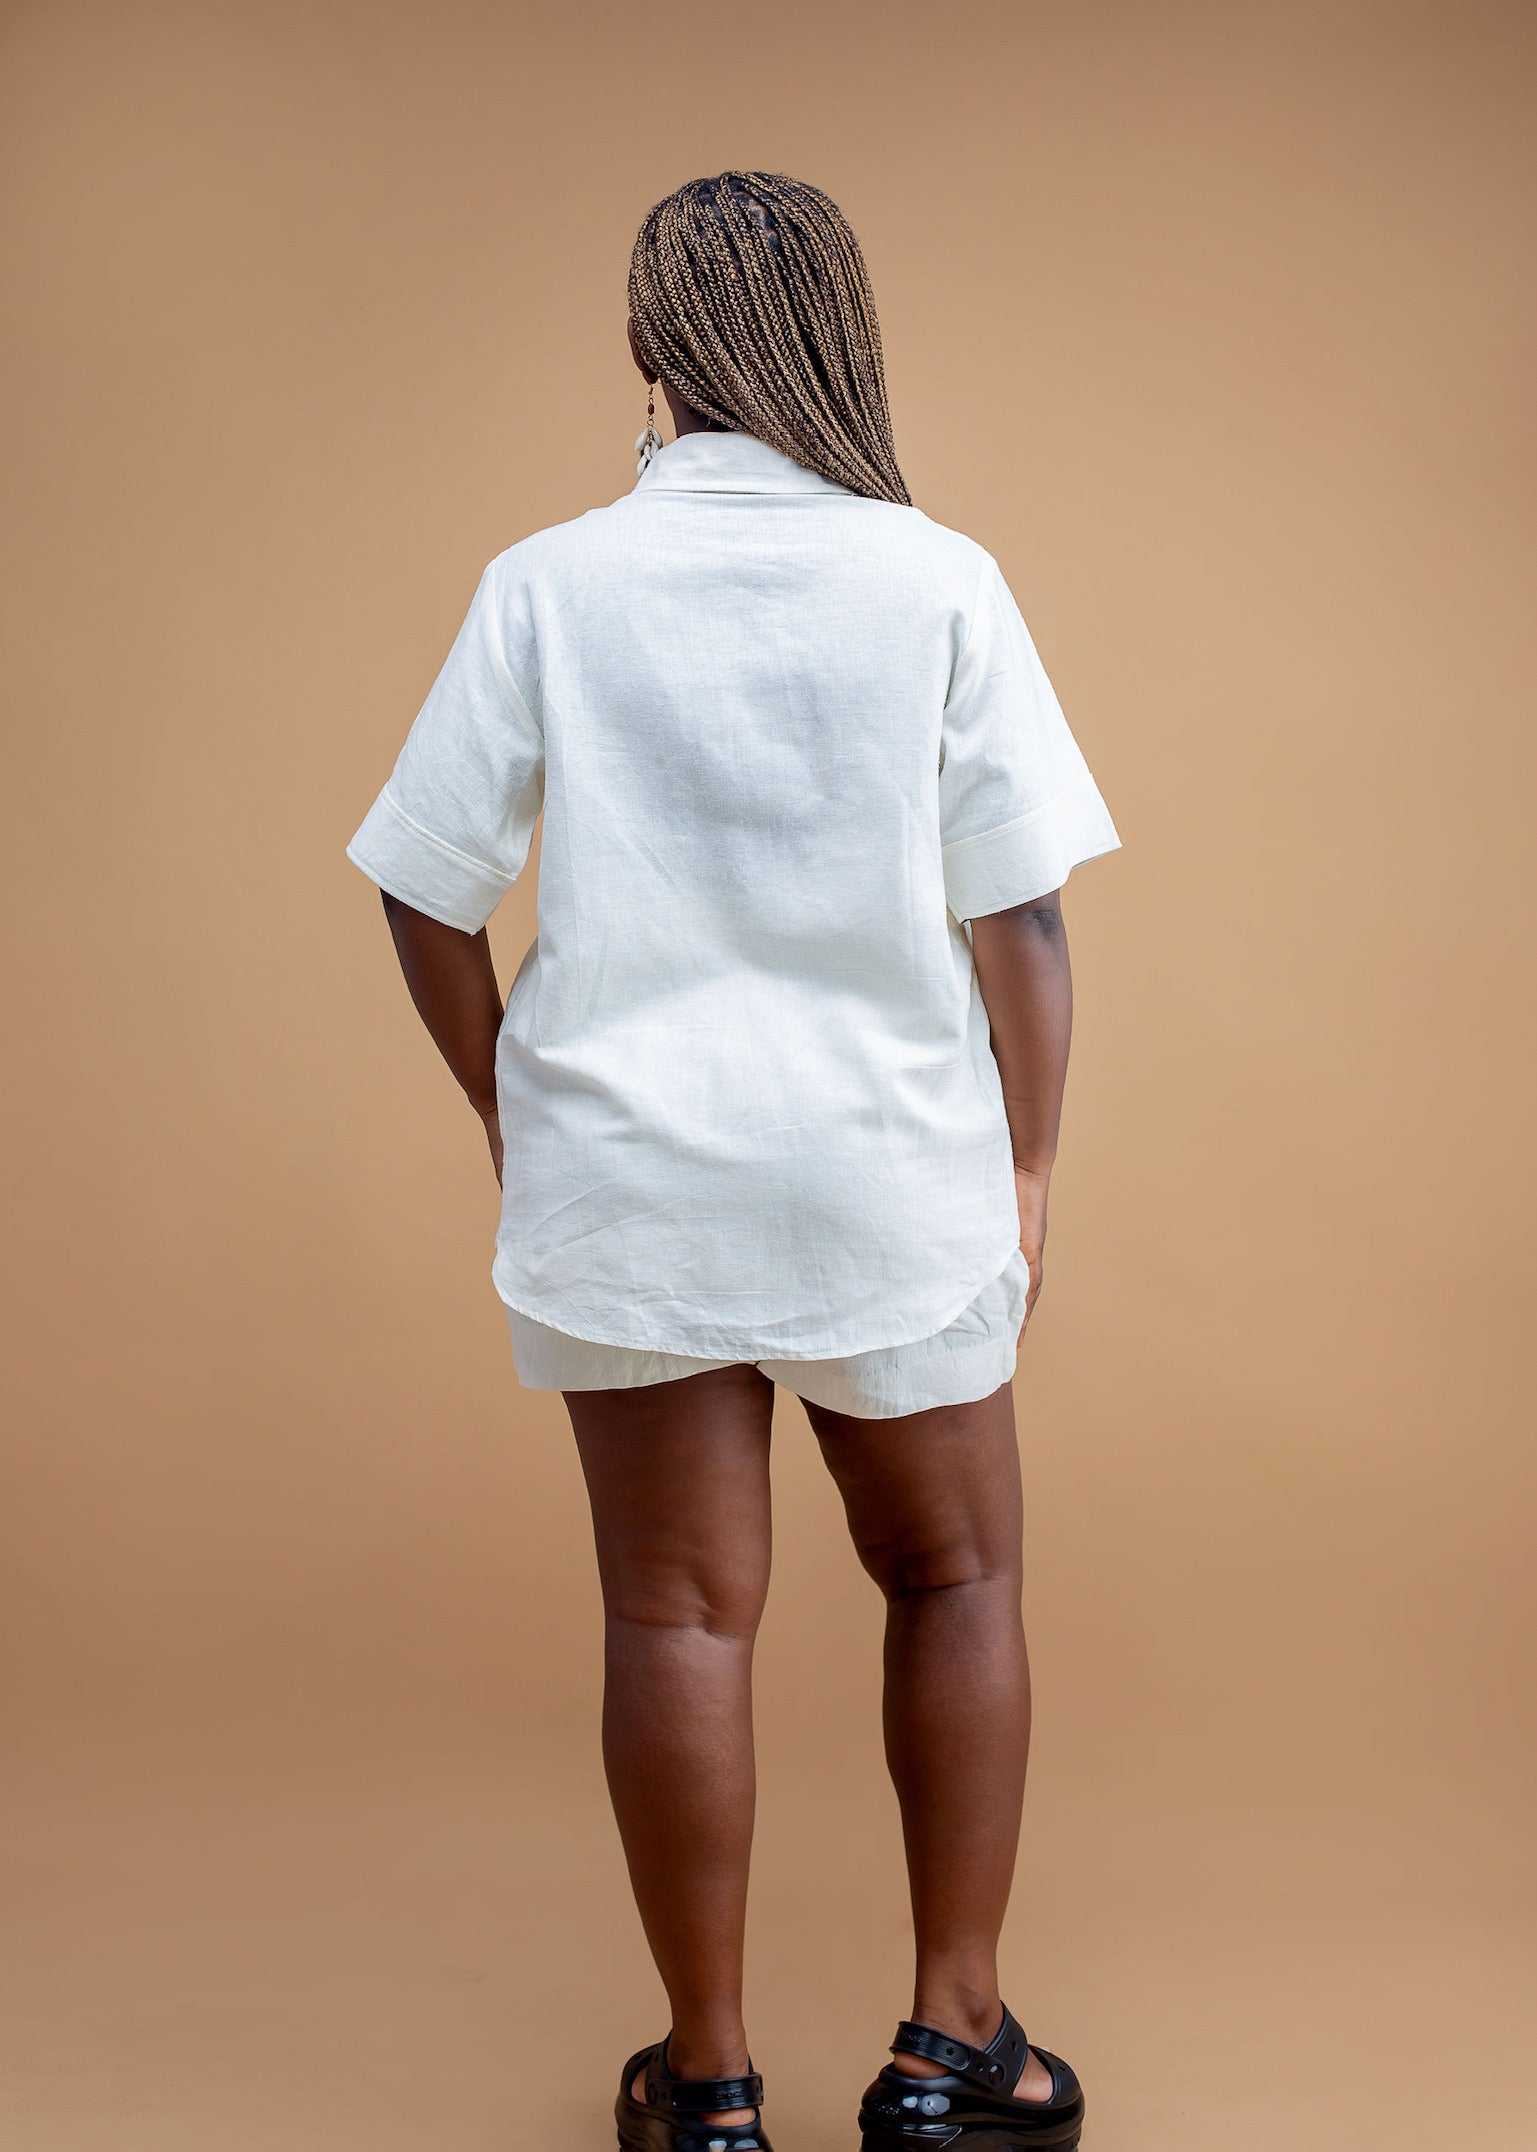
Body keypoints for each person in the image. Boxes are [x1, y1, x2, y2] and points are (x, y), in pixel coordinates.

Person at [346, 170, 1119, 2152]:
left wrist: (512, 1096)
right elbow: (1019, 919)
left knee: (678, 1616)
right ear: (842, 340)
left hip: (630, 1173)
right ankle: (953, 2053)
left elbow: (426, 892)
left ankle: (706, 2083)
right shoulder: (934, 572)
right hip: (891, 1167)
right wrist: (1025, 1162)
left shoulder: (548, 580)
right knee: (955, 1567)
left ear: (647, 349)